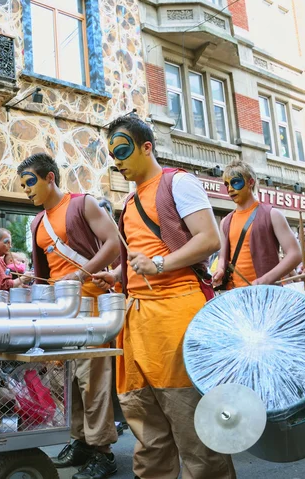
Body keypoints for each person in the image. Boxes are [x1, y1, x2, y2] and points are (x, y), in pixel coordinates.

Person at [92, 116, 235, 479]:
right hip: (136, 319)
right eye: (113, 155)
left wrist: (159, 262)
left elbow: (209, 239)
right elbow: (139, 256)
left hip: (178, 313)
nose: (117, 160)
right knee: (145, 424)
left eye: (122, 150)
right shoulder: (129, 199)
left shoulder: (178, 182)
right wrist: (116, 274)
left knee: (191, 421)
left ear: (146, 147)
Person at [18, 153, 121, 479]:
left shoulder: (83, 204)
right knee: (68, 382)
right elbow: (48, 269)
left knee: (94, 382)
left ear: (50, 177)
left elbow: (114, 243)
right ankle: (80, 440)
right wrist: (30, 278)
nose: (26, 190)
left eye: (30, 182)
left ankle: (103, 451)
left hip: (91, 305)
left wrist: (82, 274)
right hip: (61, 311)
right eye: (22, 185)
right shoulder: (36, 222)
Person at [212, 161, 300, 289]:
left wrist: (265, 279)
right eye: (227, 184)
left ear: (250, 182)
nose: (230, 189)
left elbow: (295, 254)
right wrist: (220, 269)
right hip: (234, 295)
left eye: (235, 182)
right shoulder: (226, 221)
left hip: (265, 295)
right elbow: (223, 256)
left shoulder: (272, 215)